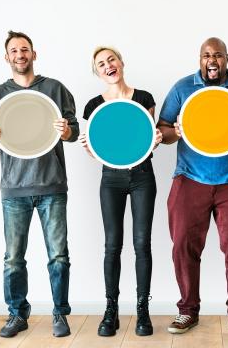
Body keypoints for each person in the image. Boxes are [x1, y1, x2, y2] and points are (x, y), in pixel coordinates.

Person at [157, 37, 228, 335]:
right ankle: (187, 310)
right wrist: (175, 132)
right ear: (200, 59)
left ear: (227, 58)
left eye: (218, 54)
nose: (212, 60)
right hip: (190, 179)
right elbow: (162, 131)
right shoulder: (182, 88)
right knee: (183, 246)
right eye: (207, 55)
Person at [0, 30, 79, 338]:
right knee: (13, 258)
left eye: (25, 49)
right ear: (7, 57)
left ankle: (60, 315)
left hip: (52, 185)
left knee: (58, 256)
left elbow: (74, 131)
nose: (20, 54)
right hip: (14, 188)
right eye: (14, 50)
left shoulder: (55, 89)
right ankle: (16, 314)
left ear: (34, 54)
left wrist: (66, 132)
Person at [79, 46, 162, 337]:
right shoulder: (93, 106)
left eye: (111, 59)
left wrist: (156, 140)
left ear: (121, 62)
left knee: (142, 244)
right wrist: (90, 149)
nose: (108, 65)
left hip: (142, 177)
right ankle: (111, 310)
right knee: (112, 245)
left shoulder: (144, 98)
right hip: (111, 179)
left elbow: (147, 139)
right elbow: (100, 151)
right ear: (98, 73)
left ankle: (142, 310)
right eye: (101, 64)